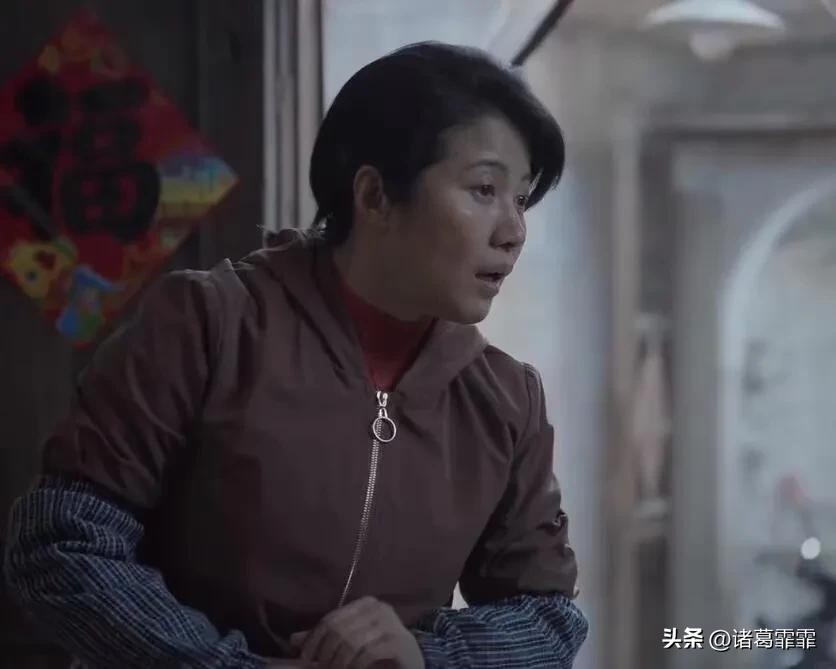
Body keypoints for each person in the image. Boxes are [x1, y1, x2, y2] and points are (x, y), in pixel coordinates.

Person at [3, 42, 588, 668]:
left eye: (520, 199)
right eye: (484, 190)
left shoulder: (504, 400)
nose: (513, 232)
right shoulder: (207, 324)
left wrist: (427, 656)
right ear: (374, 196)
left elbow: (547, 618)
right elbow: (62, 540)